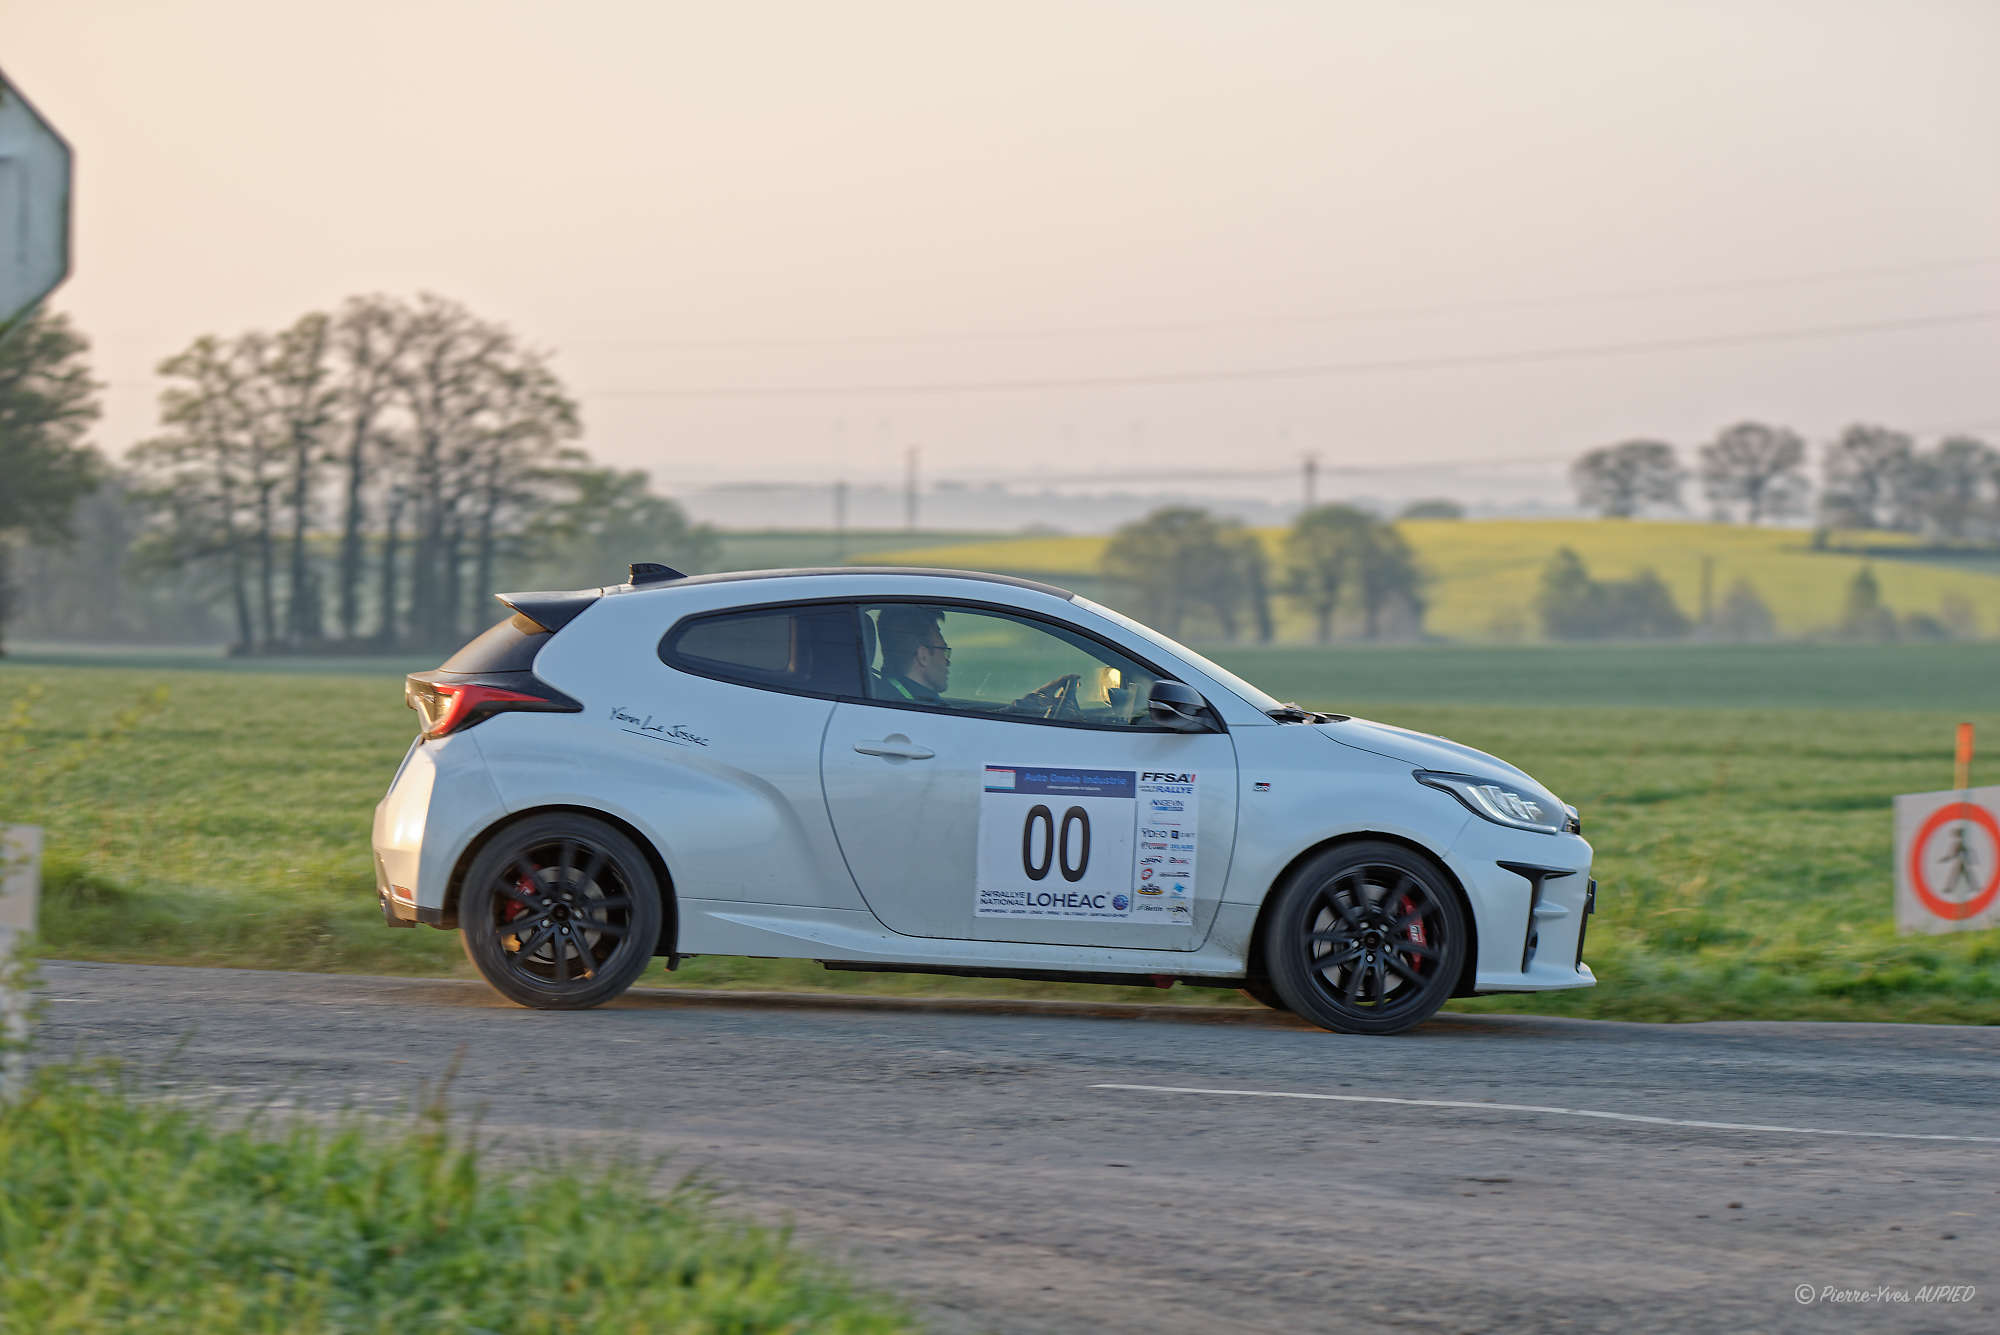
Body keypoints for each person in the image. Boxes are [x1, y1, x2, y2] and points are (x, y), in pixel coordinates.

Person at [876, 605, 951, 704]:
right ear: (923, 657)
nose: (948, 662)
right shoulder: (926, 709)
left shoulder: (883, 694)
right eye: (944, 651)